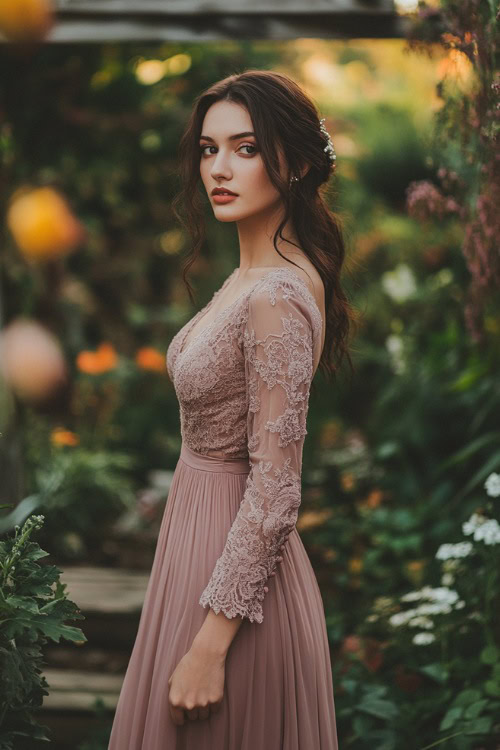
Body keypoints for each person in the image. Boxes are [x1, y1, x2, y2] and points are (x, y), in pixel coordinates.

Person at [108, 68, 355, 750]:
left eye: (246, 148)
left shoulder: (275, 294)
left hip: (236, 594)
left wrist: (210, 646)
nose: (220, 168)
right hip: (199, 549)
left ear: (299, 162)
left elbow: (275, 491)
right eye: (209, 148)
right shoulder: (251, 274)